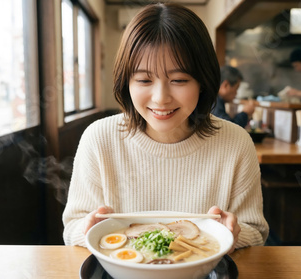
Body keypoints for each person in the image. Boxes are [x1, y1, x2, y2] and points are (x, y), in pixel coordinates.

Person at [62, 3, 269, 250]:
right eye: (144, 80)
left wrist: (234, 233)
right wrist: (87, 229)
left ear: (203, 81)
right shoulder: (99, 139)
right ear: (126, 82)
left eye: (179, 80)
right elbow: (73, 226)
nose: (161, 98)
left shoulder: (235, 142)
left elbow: (256, 232)